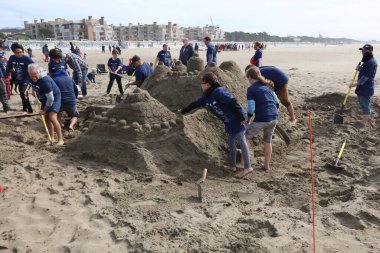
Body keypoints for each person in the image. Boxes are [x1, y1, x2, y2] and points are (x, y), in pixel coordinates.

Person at [180, 73, 252, 177]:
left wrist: (241, 117)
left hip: (238, 118)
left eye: (203, 83)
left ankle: (248, 167)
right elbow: (195, 104)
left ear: (208, 84)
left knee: (241, 140)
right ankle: (232, 166)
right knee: (230, 142)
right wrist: (183, 111)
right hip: (229, 121)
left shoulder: (219, 91)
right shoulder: (206, 97)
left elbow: (233, 102)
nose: (201, 85)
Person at [245, 66, 279, 171]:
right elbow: (277, 103)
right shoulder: (268, 86)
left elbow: (251, 108)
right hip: (274, 118)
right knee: (267, 141)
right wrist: (273, 112)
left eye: (248, 78)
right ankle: (266, 165)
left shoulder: (251, 89)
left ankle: (244, 163)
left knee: (244, 138)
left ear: (250, 77)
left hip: (262, 119)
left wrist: (248, 118)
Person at [28, 63, 63, 145]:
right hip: (44, 99)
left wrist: (44, 110)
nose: (33, 77)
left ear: (39, 72)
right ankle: (51, 138)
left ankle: (60, 139)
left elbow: (51, 99)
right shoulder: (32, 77)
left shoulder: (45, 81)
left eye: (35, 75)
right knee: (46, 118)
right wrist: (34, 90)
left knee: (52, 116)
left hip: (54, 98)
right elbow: (34, 84)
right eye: (31, 75)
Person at [349, 44, 378, 126]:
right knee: (363, 102)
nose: (363, 51)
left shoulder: (371, 62)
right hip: (363, 86)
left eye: (365, 50)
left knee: (365, 103)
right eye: (362, 50)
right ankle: (366, 118)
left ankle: (364, 121)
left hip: (366, 86)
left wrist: (354, 84)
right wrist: (359, 68)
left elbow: (365, 77)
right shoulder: (367, 60)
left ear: (371, 51)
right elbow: (364, 71)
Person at [5, 43, 34, 113]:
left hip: (28, 79)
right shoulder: (12, 58)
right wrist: (7, 75)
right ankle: (30, 109)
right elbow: (9, 66)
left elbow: (35, 66)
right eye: (17, 53)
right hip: (19, 79)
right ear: (14, 52)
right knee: (23, 94)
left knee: (23, 92)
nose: (19, 54)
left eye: (21, 52)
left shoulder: (27, 59)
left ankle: (25, 109)